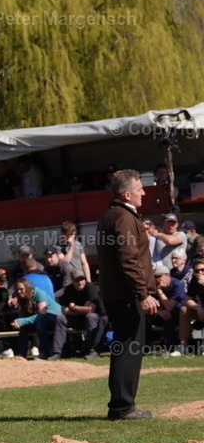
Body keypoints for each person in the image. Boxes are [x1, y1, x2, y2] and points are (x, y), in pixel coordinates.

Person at [96, 169, 158, 420]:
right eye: (140, 188)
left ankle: (122, 406)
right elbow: (128, 258)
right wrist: (142, 294)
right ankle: (123, 408)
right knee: (129, 349)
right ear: (127, 194)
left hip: (119, 293)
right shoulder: (122, 217)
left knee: (125, 347)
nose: (144, 192)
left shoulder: (112, 214)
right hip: (127, 295)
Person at [10, 278, 66, 360]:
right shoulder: (21, 298)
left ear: (27, 288)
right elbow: (22, 315)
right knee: (24, 327)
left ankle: (43, 353)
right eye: (17, 289)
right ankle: (21, 355)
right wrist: (18, 322)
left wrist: (22, 321)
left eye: (21, 289)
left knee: (41, 324)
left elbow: (42, 314)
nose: (18, 291)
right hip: (39, 319)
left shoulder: (39, 293)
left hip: (53, 317)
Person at [58, 273, 107, 358]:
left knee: (90, 316)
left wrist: (74, 307)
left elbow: (91, 310)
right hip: (76, 320)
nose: (80, 282)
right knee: (60, 318)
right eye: (77, 280)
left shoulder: (90, 287)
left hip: (93, 319)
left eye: (82, 279)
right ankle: (58, 352)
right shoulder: (69, 289)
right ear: (72, 281)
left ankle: (93, 351)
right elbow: (64, 311)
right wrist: (82, 309)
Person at [152, 266, 186, 353]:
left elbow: (169, 306)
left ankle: (170, 348)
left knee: (169, 317)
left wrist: (159, 290)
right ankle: (145, 345)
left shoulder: (177, 285)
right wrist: (158, 311)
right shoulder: (152, 285)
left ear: (168, 275)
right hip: (159, 312)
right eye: (155, 277)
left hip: (178, 313)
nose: (157, 279)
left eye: (159, 276)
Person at [179, 258, 204, 354]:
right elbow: (187, 299)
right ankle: (183, 347)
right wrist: (198, 307)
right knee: (184, 310)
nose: (200, 273)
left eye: (203, 270)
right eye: (197, 271)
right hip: (202, 312)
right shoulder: (195, 280)